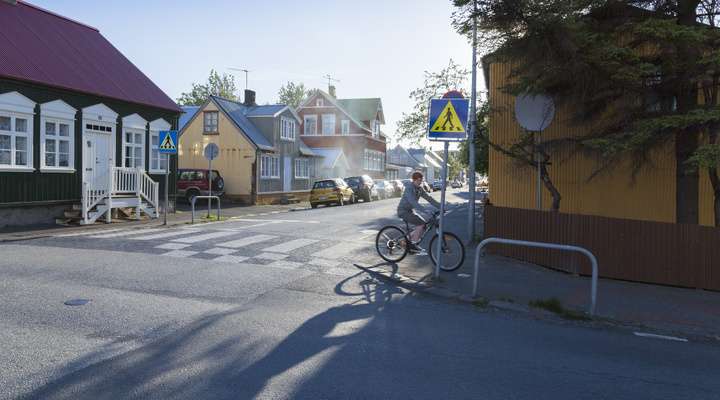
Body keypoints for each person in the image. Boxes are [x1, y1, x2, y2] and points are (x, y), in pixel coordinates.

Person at [397, 171, 440, 253]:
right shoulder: (409, 188)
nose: (420, 182)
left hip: (410, 210)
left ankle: (404, 241)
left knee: (423, 225)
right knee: (421, 224)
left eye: (421, 180)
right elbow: (413, 202)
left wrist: (441, 207)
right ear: (414, 180)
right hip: (403, 211)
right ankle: (413, 245)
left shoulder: (420, 189)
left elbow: (429, 198)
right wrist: (426, 211)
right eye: (418, 180)